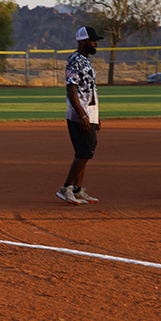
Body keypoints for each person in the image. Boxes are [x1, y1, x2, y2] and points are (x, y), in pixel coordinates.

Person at [57, 26, 103, 205]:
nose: (96, 44)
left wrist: (95, 116)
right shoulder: (75, 60)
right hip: (79, 115)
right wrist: (82, 115)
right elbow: (71, 88)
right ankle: (66, 187)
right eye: (93, 41)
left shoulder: (85, 61)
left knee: (84, 151)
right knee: (85, 151)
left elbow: (91, 91)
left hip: (89, 113)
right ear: (83, 41)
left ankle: (77, 190)